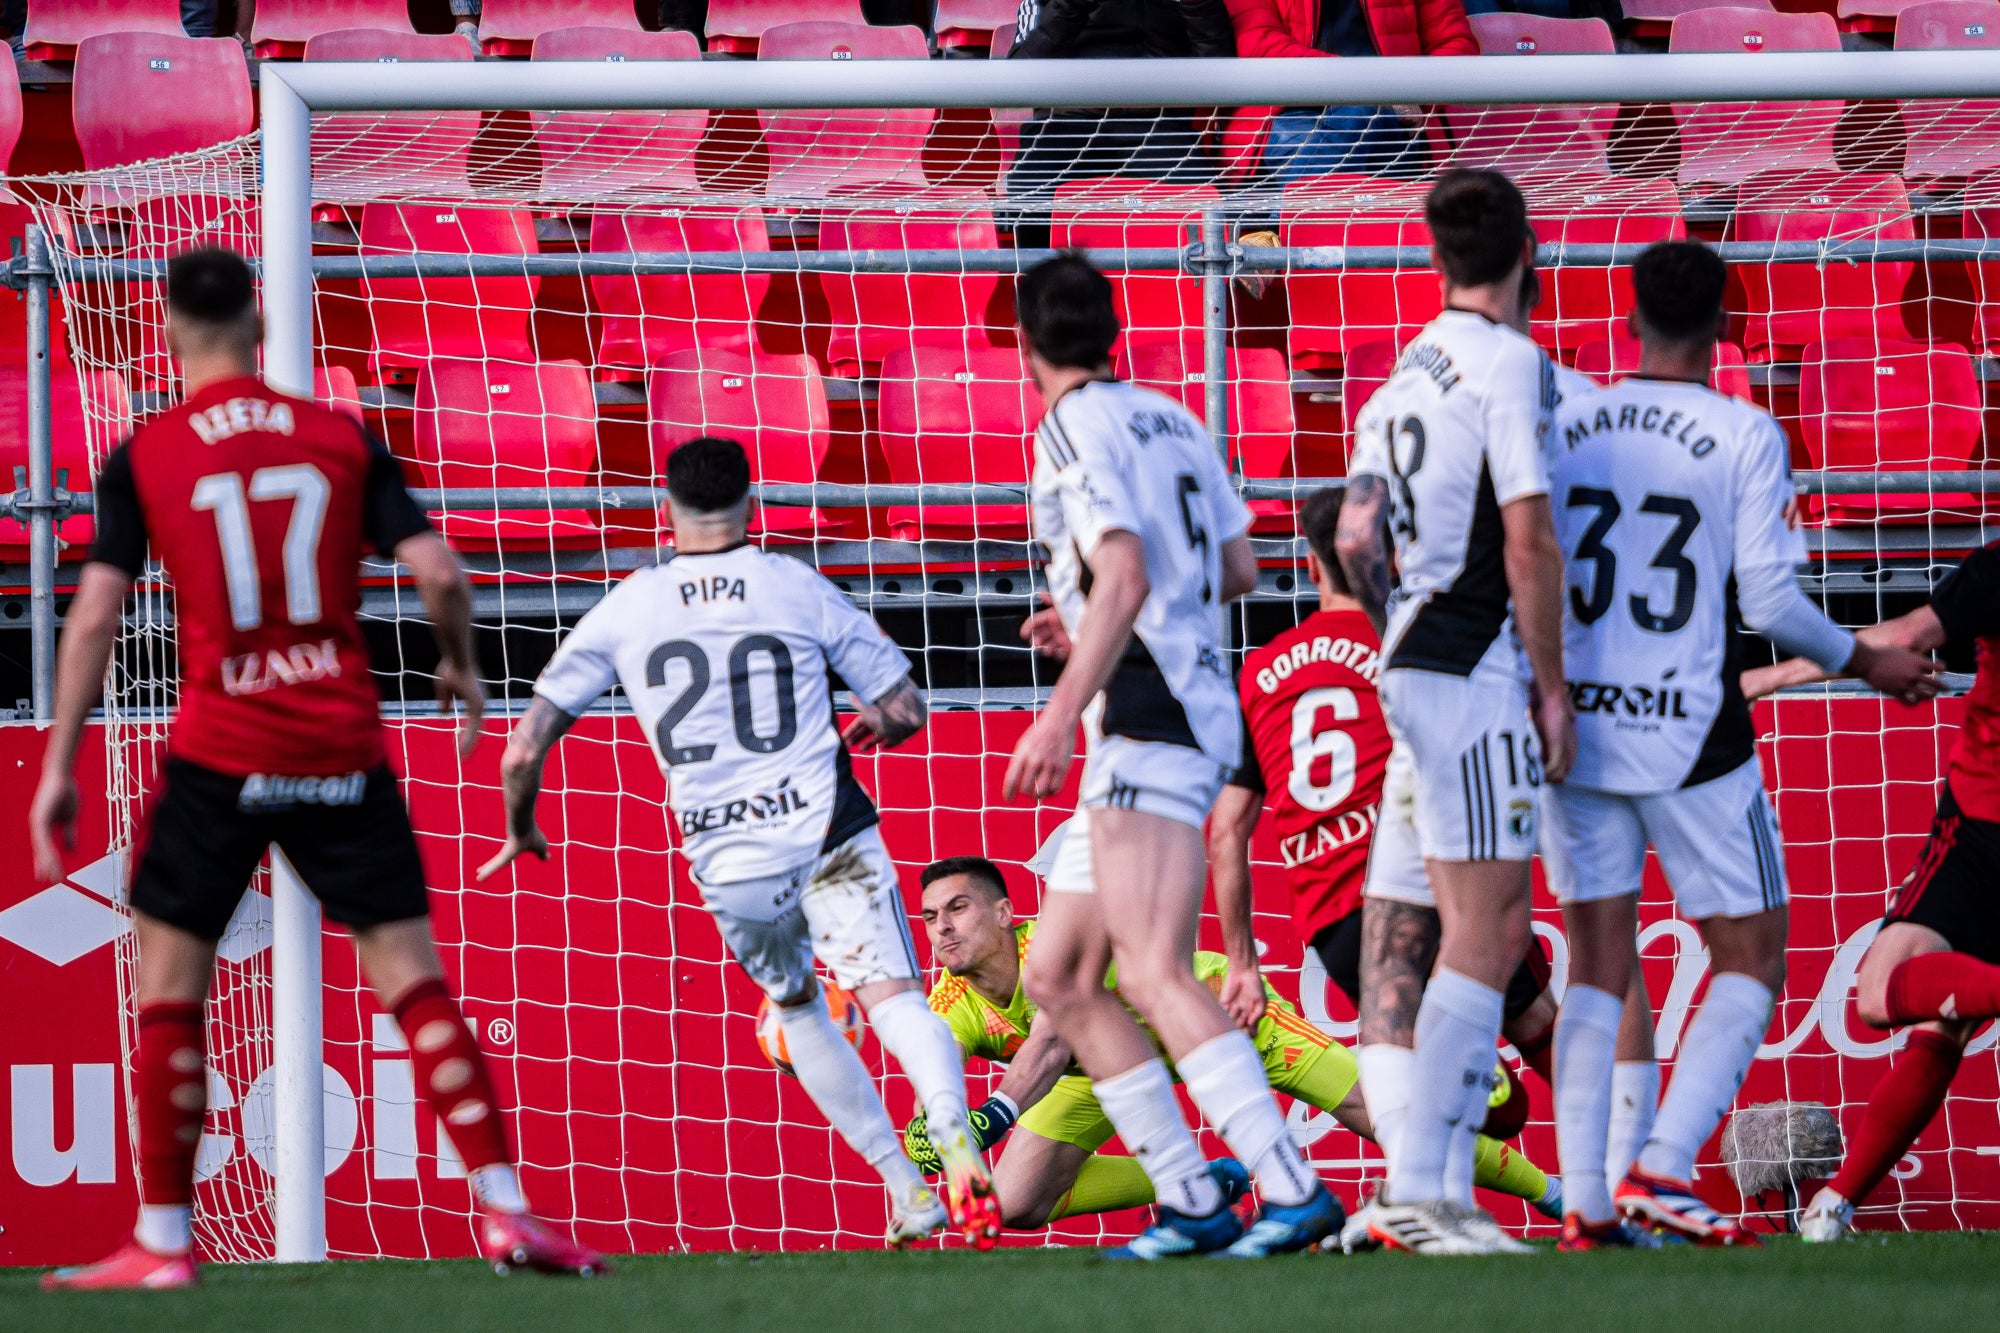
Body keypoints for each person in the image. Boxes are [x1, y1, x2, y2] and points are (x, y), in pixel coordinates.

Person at [29, 248, 604, 1290]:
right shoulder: (336, 434)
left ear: (165, 332)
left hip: (218, 748)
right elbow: (435, 568)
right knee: (413, 982)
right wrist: (462, 669)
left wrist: (60, 762)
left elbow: (98, 609)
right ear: (259, 324)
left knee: (170, 987)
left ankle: (163, 1240)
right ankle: (508, 1213)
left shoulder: (148, 452)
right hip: (339, 741)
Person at [478, 436, 1000, 1251]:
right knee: (893, 999)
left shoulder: (630, 605)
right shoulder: (791, 582)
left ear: (665, 515)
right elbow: (903, 704)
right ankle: (950, 1127)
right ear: (751, 508)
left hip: (731, 855)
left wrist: (520, 825)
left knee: (798, 1010)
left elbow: (521, 746)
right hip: (828, 823)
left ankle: (908, 1188)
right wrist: (877, 724)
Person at [1541, 241, 1938, 1249]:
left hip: (1578, 723)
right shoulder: (1740, 429)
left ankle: (1587, 1195)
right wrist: (1867, 659)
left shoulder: (1571, 416)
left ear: (1626, 322)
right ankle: (1663, 1168)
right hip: (1688, 731)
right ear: (1724, 326)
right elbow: (1764, 599)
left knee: (1593, 962)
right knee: (1752, 952)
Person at [1001, 251, 1339, 1260]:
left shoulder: (1067, 425)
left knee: (1149, 969)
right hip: (1169, 697)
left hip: (1146, 713)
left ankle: (1290, 1187)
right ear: (1117, 337)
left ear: (1022, 346)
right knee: (1061, 976)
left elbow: (1128, 567)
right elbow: (1235, 566)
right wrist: (1090, 623)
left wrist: (1061, 706)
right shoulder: (1176, 418)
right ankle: (1192, 1198)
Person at [1204, 485, 1571, 1250]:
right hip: (1430, 893)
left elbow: (1227, 827)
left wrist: (1242, 960)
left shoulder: (1260, 670)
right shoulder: (1408, 642)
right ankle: (1604, 1189)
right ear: (1390, 554)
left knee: (1420, 1066)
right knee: (1539, 1032)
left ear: (1309, 566)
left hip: (1336, 926)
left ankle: (1415, 1201)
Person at [1332, 168, 1572, 1256]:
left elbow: (1350, 540)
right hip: (1469, 674)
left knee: (1398, 930)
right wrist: (1549, 682)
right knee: (1491, 927)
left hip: (1402, 663)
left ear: (1435, 258)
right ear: (1526, 253)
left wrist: (1401, 622)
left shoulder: (1394, 381)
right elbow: (1527, 536)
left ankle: (1402, 1192)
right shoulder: (1508, 363)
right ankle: (1427, 1195)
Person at [908, 855, 1564, 1232]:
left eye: (958, 907)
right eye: (932, 916)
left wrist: (989, 1116)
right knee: (1017, 1199)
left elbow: (1050, 1037)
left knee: (1380, 1113)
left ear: (1003, 912)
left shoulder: (1051, 943)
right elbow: (931, 1073)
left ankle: (1554, 1194)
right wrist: (921, 1148)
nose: (943, 928)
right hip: (1105, 1065)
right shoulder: (950, 1000)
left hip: (1216, 1013)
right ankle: (1203, 1185)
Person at [1743, 559, 1996, 1242]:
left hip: (1982, 824)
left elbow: (1906, 635)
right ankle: (1832, 1206)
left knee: (1881, 992)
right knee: (1948, 1018)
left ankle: (1832, 1205)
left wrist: (1767, 677)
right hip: (1982, 817)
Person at [1220, 0, 1477, 184]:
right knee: (1359, 110)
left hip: (1394, 118)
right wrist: (1378, 88)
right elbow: (1259, 45)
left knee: (1366, 114)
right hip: (1293, 115)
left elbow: (1457, 47)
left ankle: (1287, 232)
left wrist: (1409, 94)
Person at [1004, 0, 1236, 199]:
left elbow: (1218, 69)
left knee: (1207, 201)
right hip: (1064, 125)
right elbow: (1020, 75)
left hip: (1158, 127)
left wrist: (1196, 3)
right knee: (1028, 195)